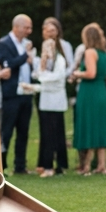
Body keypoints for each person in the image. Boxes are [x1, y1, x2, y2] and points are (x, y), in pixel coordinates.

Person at [0, 14, 35, 173]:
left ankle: (20, 166)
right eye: (26, 27)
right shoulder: (4, 44)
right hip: (11, 94)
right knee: (7, 130)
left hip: (26, 93)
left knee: (23, 131)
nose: (29, 31)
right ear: (16, 27)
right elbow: (7, 64)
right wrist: (25, 56)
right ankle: (1, 166)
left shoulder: (26, 44)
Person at [72, 23, 106, 175]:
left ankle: (86, 166)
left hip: (90, 93)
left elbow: (91, 73)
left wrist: (77, 73)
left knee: (88, 126)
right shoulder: (104, 53)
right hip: (101, 91)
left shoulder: (90, 52)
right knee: (100, 128)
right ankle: (102, 165)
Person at [31, 37, 68, 176]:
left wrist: (42, 78)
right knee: (46, 135)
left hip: (57, 103)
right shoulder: (44, 62)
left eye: (50, 47)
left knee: (57, 134)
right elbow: (36, 74)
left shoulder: (60, 61)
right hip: (46, 102)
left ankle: (60, 165)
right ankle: (47, 165)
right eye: (45, 47)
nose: (47, 50)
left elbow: (56, 77)